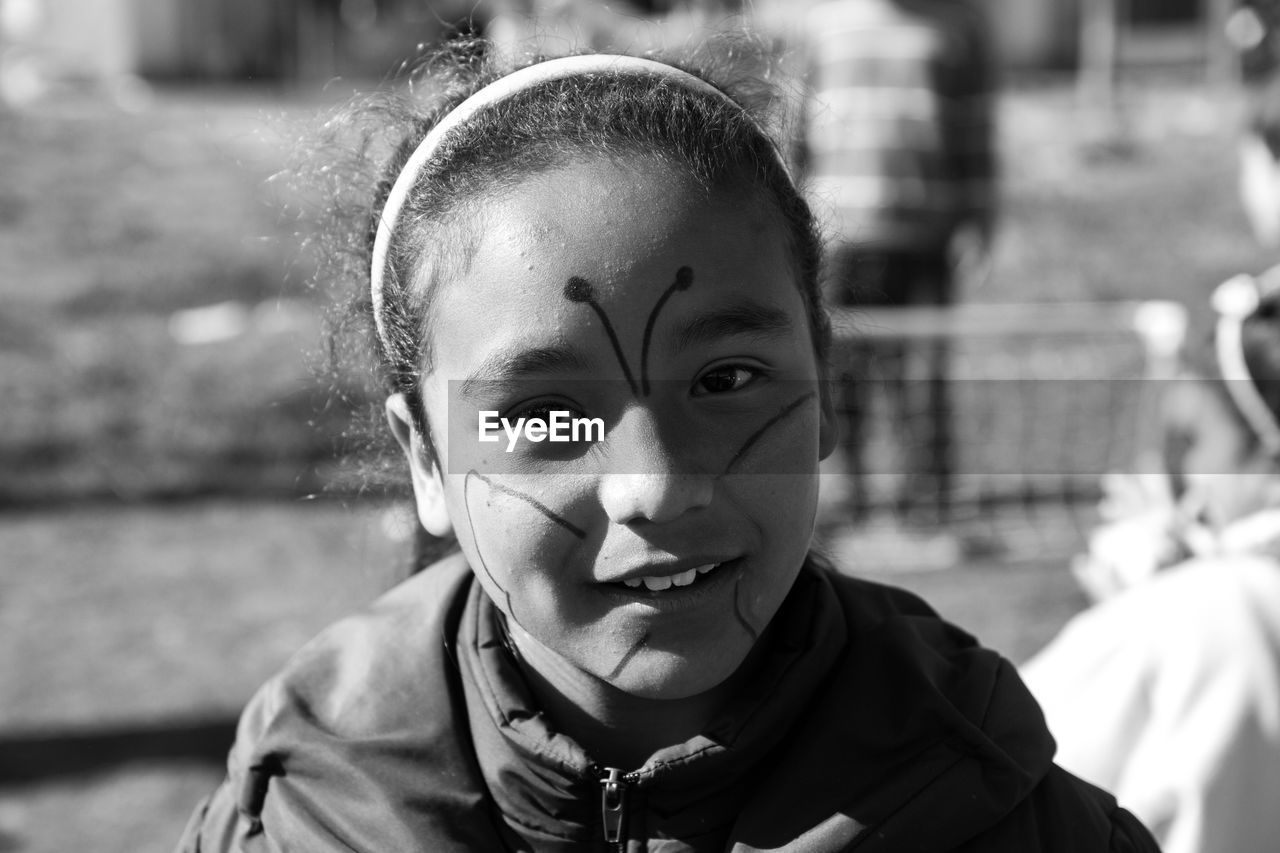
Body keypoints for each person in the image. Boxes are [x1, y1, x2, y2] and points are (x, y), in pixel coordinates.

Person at [176, 44, 1156, 851]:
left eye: (725, 381)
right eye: (540, 414)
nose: (655, 487)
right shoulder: (291, 821)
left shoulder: (1009, 825)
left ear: (824, 379)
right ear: (428, 461)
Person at [1021, 270, 1280, 853]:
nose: (1179, 480)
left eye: (1189, 442)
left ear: (1269, 443)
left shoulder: (1206, 611)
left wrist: (1141, 615)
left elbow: (994, 775)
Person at [796, 0, 997, 524]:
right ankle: (849, 491)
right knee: (841, 368)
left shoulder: (957, 26)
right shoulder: (826, 24)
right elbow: (795, 132)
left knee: (923, 372)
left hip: (928, 231)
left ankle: (929, 497)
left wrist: (981, 220)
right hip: (838, 235)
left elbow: (975, 132)